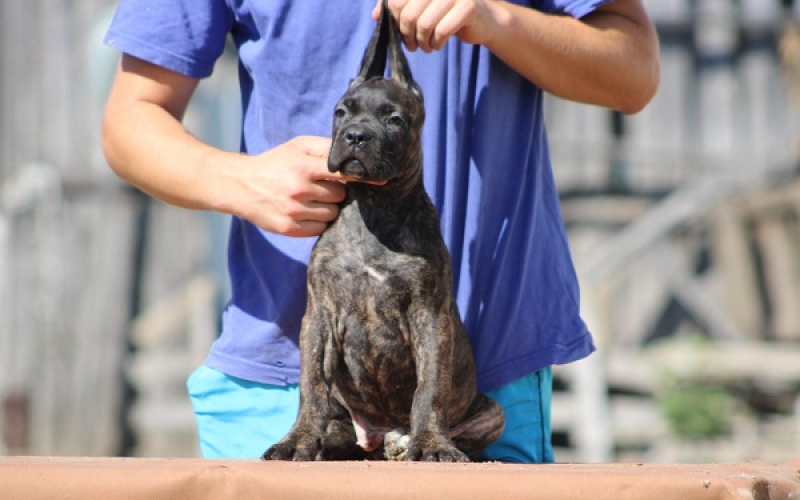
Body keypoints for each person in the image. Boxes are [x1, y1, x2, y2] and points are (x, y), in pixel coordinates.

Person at [102, 0, 659, 463]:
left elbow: (634, 72)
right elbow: (130, 119)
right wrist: (240, 179)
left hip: (477, 395)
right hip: (279, 387)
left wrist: (498, 19)